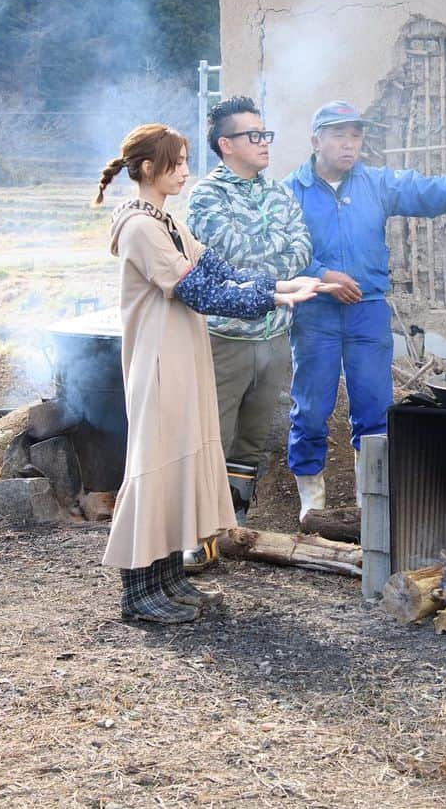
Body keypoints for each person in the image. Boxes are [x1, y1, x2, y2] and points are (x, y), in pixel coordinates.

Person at [94, 123, 327, 624]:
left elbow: (217, 269)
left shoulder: (167, 222)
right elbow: (197, 291)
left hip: (182, 360)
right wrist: (268, 297)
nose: (185, 172)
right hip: (159, 365)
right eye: (176, 163)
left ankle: (168, 579)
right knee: (155, 471)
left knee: (178, 467)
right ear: (150, 168)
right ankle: (139, 591)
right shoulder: (139, 227)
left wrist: (281, 286)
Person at [283, 101, 446, 521]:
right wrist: (323, 275)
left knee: (374, 404)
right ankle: (312, 501)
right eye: (339, 136)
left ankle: (371, 501)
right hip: (316, 312)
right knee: (311, 407)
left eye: (356, 136)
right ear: (316, 141)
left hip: (368, 310)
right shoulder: (292, 192)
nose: (349, 145)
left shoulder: (374, 183)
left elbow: (415, 189)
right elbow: (281, 254)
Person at [183, 96, 312, 569]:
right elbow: (227, 258)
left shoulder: (278, 193)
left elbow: (301, 249)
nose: (264, 143)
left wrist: (267, 257)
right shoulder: (206, 197)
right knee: (211, 437)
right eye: (253, 136)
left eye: (265, 134)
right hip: (225, 340)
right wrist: (271, 257)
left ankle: (231, 527)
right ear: (226, 144)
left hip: (274, 338)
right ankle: (196, 534)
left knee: (251, 441)